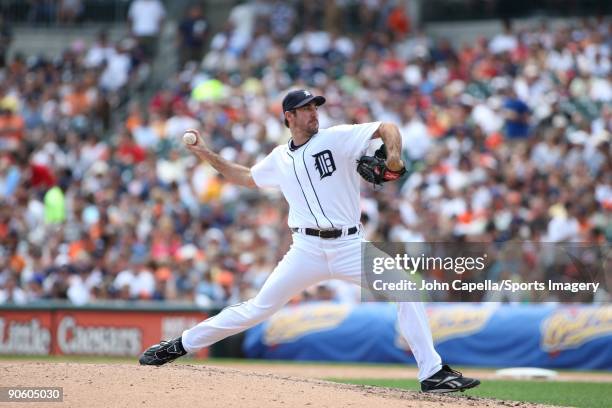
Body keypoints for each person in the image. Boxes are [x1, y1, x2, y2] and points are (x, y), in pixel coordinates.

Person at [139, 89, 480, 393]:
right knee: (257, 309)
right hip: (305, 250)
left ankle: (432, 373)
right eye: (306, 109)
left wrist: (393, 156)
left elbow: (387, 128)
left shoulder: (338, 137)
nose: (314, 112)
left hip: (349, 246)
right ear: (290, 117)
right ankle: (180, 345)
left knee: (405, 288)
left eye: (315, 107)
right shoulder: (278, 158)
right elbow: (243, 176)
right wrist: (205, 153)